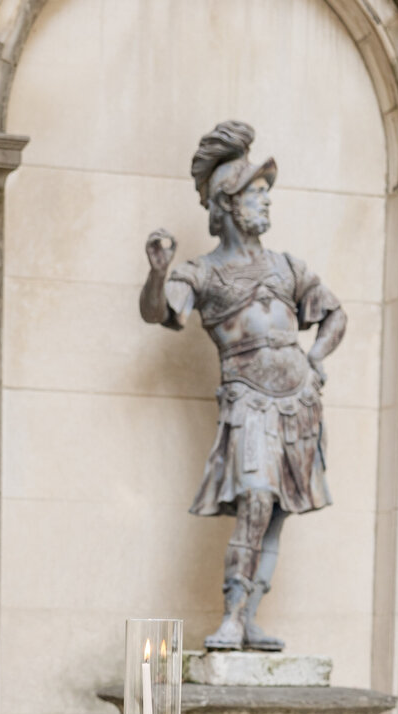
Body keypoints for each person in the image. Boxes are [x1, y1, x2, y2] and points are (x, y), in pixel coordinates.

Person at [140, 121, 347, 650]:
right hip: (248, 401)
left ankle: (250, 615)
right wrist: (159, 272)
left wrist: (317, 358)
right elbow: (162, 314)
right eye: (257, 194)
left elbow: (334, 315)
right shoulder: (202, 272)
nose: (267, 205)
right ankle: (231, 613)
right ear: (227, 204)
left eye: (267, 195)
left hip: (298, 402)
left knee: (276, 514)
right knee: (256, 497)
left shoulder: (287, 266)